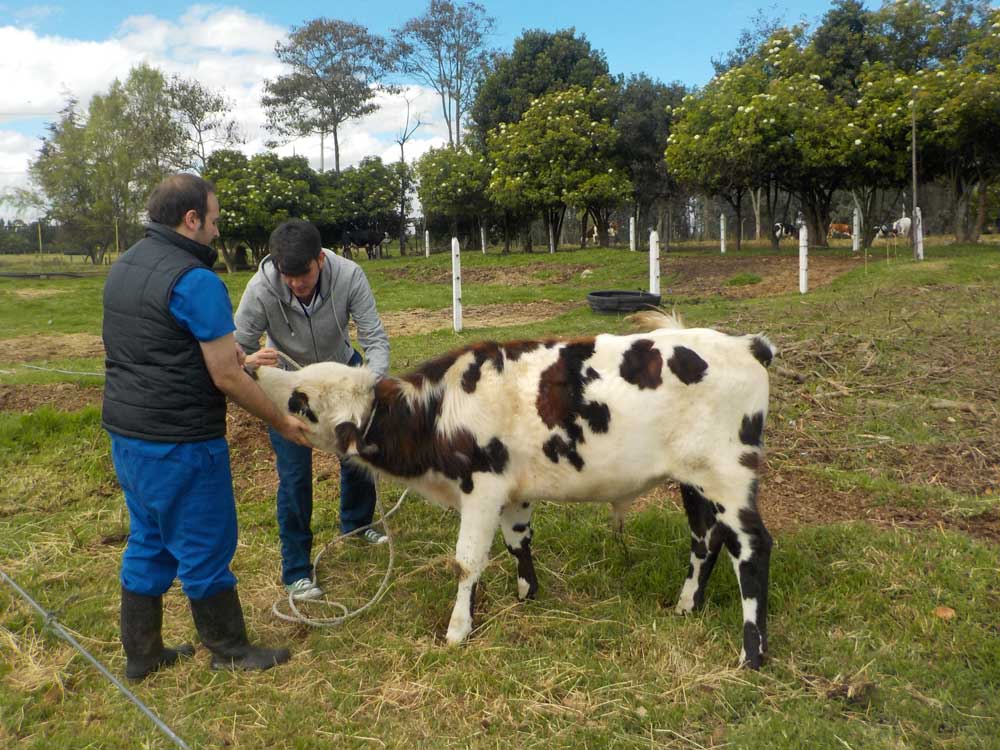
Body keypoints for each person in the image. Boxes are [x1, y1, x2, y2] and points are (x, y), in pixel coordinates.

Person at [102, 174, 311, 680]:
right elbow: (225, 377)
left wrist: (234, 352)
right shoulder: (195, 280)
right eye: (214, 220)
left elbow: (161, 343)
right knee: (205, 543)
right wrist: (281, 419)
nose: (217, 232)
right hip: (181, 443)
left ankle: (142, 653)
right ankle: (230, 649)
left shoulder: (124, 266)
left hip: (128, 437)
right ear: (191, 219)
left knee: (148, 538)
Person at [235, 219, 390, 602]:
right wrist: (251, 358)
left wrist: (372, 384)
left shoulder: (350, 275)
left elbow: (373, 336)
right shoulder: (261, 289)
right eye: (287, 277)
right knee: (294, 476)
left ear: (320, 259)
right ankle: (297, 570)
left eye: (302, 274)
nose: (295, 284)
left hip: (341, 375)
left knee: (355, 455)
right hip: (292, 389)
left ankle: (356, 525)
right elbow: (234, 346)